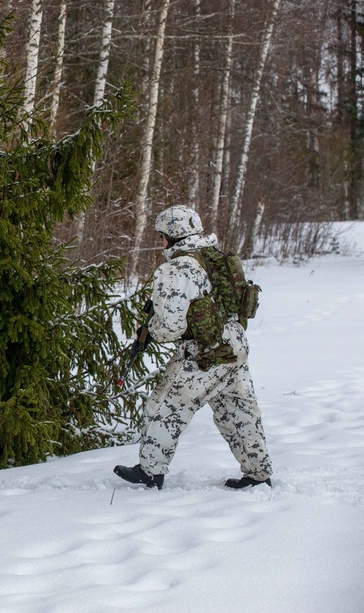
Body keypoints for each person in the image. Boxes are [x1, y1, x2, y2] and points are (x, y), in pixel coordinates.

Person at [114, 205, 273, 490]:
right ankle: (259, 473)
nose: (160, 242)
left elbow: (172, 325)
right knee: (239, 412)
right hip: (235, 346)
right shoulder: (215, 257)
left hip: (204, 355)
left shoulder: (176, 268)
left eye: (162, 236)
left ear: (174, 236)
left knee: (165, 404)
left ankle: (150, 470)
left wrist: (152, 332)